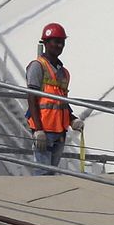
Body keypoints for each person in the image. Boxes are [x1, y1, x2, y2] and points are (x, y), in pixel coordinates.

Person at [26, 22, 83, 175]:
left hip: (59, 131)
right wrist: (38, 130)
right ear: (45, 43)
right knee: (43, 173)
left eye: (62, 42)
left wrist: (72, 119)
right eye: (55, 41)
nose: (59, 45)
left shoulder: (64, 72)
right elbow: (32, 98)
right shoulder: (38, 66)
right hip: (44, 129)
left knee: (51, 174)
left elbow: (61, 101)